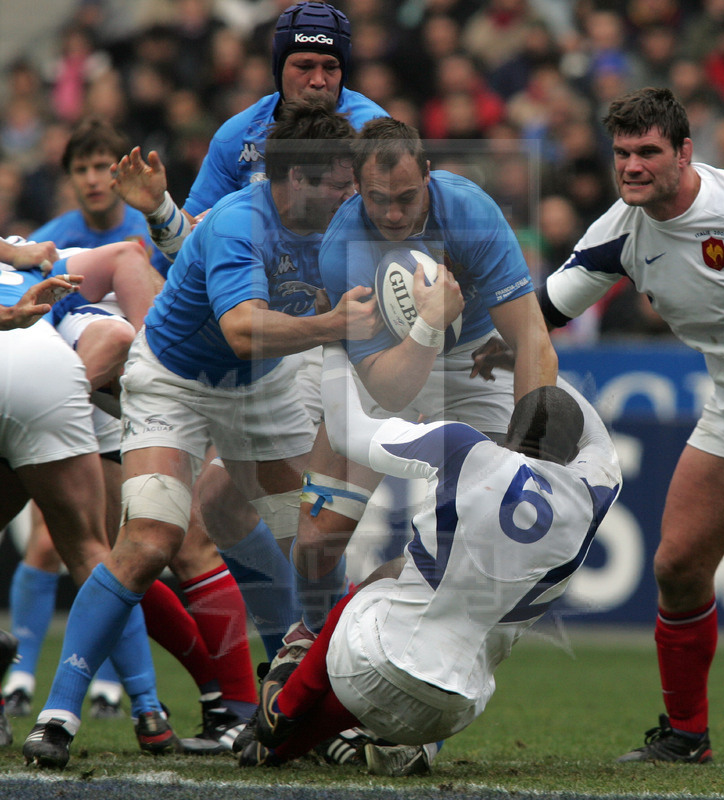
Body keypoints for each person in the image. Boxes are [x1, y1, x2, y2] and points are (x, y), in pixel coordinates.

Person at [21, 95, 380, 771]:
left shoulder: (343, 220)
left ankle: (299, 705)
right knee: (153, 538)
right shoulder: (243, 220)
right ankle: (57, 715)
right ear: (297, 178)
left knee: (312, 549)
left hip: (262, 386)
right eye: (338, 178)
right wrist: (334, 325)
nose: (350, 190)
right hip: (175, 379)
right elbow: (244, 328)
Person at [534, 86, 724, 762]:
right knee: (676, 565)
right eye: (621, 153)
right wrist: (455, 324)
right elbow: (544, 313)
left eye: (647, 152)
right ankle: (685, 736)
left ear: (683, 152)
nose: (631, 167)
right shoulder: (621, 229)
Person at [240, 342, 621, 771]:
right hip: (457, 708)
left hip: (367, 665)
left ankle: (288, 701)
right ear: (573, 456)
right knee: (416, 641)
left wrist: (336, 344)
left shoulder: (465, 446)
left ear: (509, 434)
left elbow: (346, 430)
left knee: (386, 582)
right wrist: (527, 359)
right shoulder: (595, 494)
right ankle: (381, 747)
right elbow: (598, 436)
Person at [5, 116, 258, 750]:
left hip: (129, 395)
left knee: (168, 547)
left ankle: (225, 703)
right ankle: (188, 703)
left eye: (103, 166)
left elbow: (136, 325)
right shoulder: (48, 240)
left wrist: (160, 376)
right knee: (109, 553)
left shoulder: (128, 232)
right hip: (79, 398)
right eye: (82, 168)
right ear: (69, 179)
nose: (95, 179)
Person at [307, 115, 557, 641]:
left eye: (406, 196)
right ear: (356, 186)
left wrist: (525, 453)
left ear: (427, 173)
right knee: (315, 541)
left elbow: (532, 339)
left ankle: (337, 637)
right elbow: (388, 390)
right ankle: (308, 639)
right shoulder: (340, 249)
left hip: (475, 362)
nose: (393, 213)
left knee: (461, 543)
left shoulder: (469, 210)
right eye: (378, 199)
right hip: (391, 363)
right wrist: (428, 322)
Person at [0, 237, 178, 768]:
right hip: (50, 375)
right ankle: (147, 710)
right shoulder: (60, 274)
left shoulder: (46, 262)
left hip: (24, 346)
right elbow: (120, 325)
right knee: (91, 552)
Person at [111, 1, 388, 263]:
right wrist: (159, 208)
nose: (318, 80)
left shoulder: (375, 132)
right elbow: (189, 252)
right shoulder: (236, 136)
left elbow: (404, 233)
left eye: (330, 67)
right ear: (278, 69)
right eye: (304, 66)